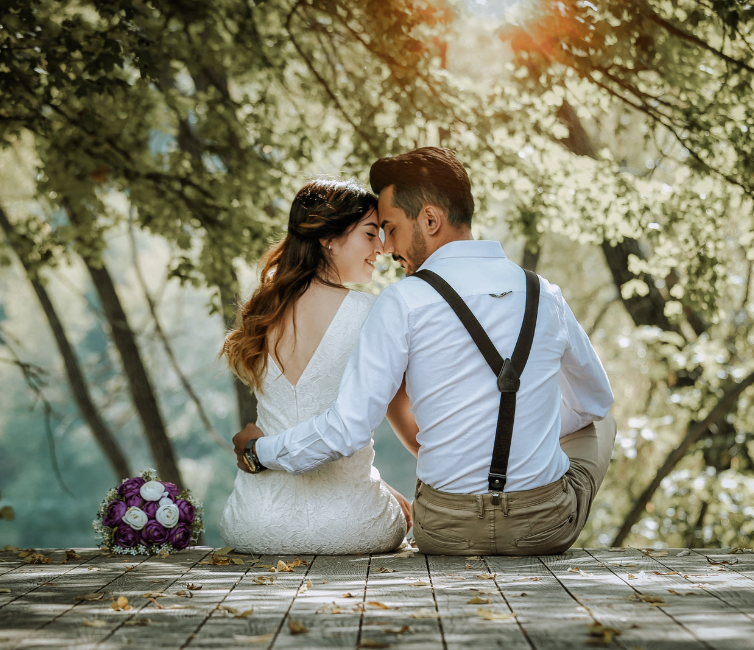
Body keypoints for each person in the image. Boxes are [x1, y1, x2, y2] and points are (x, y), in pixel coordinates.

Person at [233, 147, 617, 555]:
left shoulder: (401, 302)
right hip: (544, 528)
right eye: (376, 231)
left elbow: (348, 428)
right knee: (600, 420)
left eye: (390, 228)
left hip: (444, 530)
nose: (387, 247)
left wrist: (261, 451)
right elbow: (595, 401)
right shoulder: (546, 295)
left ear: (430, 220)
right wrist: (528, 431)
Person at [219, 178, 409, 554]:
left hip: (254, 524)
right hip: (353, 527)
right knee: (405, 514)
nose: (382, 247)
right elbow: (359, 431)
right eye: (370, 234)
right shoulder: (371, 312)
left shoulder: (262, 312)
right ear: (328, 238)